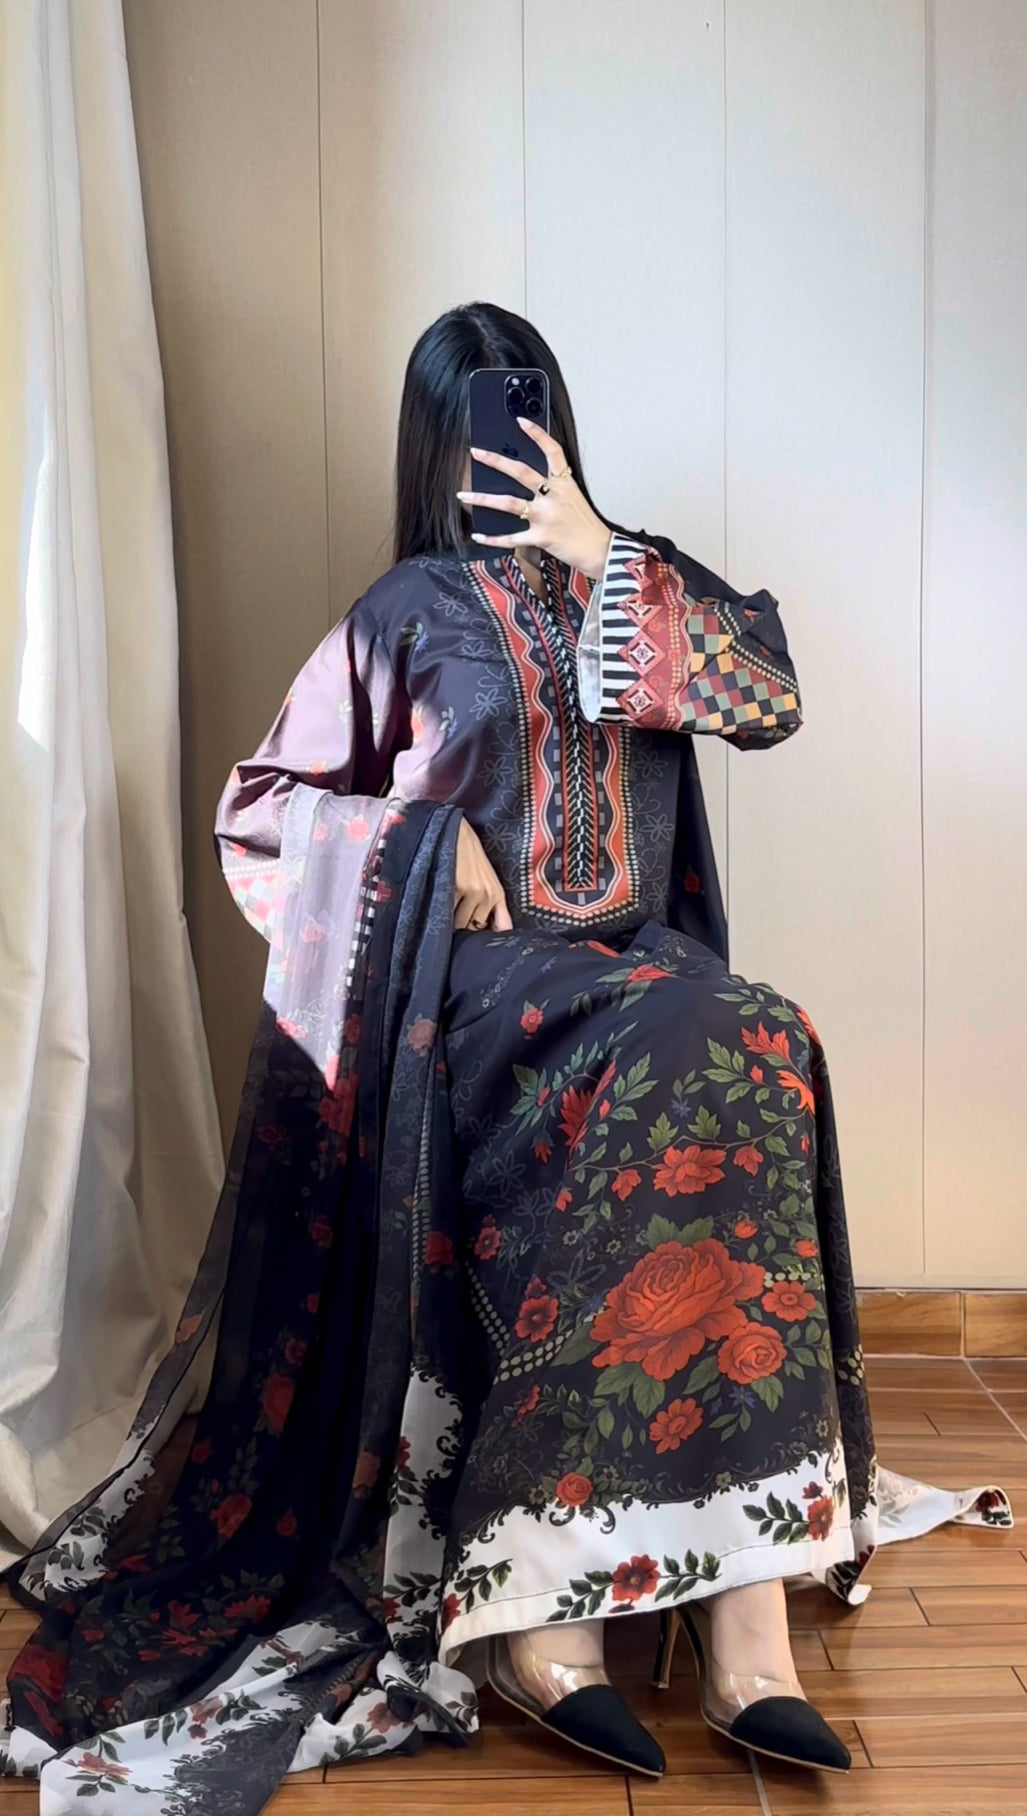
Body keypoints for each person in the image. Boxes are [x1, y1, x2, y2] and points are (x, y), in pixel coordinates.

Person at [1, 302, 1011, 1814]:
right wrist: (422, 838)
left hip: (641, 977)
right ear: (436, 441)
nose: (506, 446)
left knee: (758, 1033)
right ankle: (555, 1614)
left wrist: (605, 548)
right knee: (687, 1036)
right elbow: (257, 816)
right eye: (476, 417)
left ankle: (743, 1609)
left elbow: (770, 698)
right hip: (473, 999)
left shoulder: (639, 580)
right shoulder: (401, 613)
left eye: (527, 413)